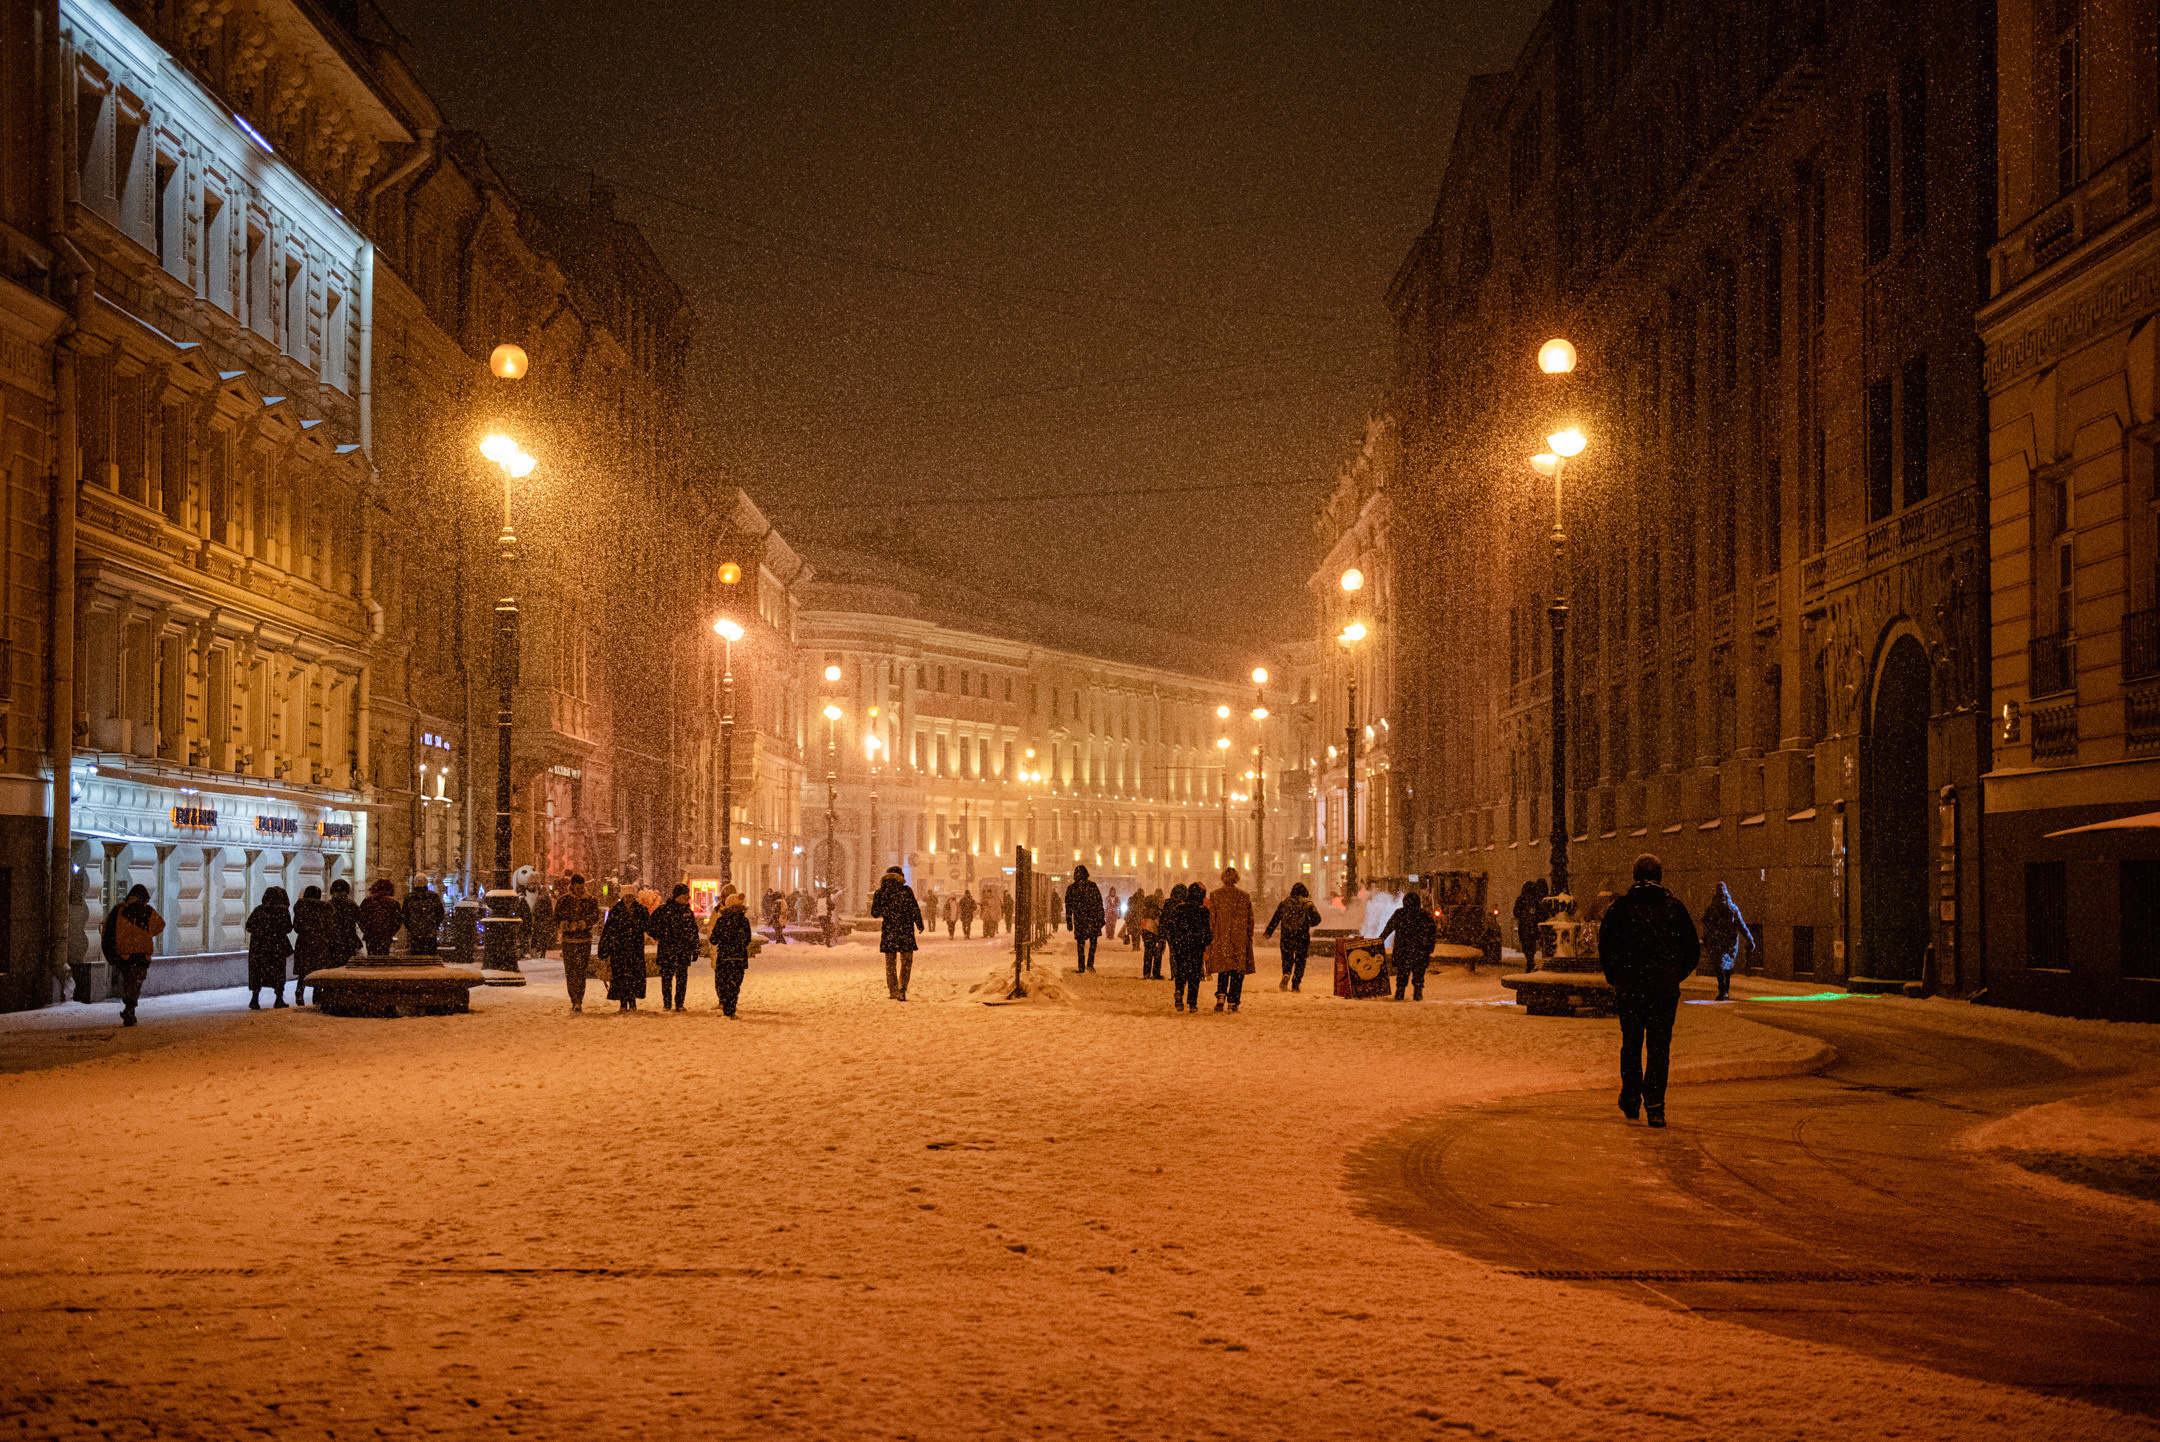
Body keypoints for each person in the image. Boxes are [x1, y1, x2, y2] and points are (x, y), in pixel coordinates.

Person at [1598, 854, 1702, 1128]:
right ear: (1659, 877)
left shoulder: (1620, 908)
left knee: (1631, 1043)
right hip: (1662, 989)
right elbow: (1692, 950)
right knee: (1659, 1047)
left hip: (1630, 986)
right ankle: (1655, 1106)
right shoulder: (1673, 908)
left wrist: (1616, 976)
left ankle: (1631, 1099)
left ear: (1635, 877)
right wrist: (1672, 975)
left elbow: (1606, 945)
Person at [98, 883, 163, 1026]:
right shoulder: (147, 911)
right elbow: (160, 925)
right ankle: (129, 1008)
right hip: (141, 953)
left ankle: (130, 1009)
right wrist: (145, 932)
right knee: (136, 982)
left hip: (124, 954)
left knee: (129, 981)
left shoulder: (119, 910)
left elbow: (107, 928)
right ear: (144, 897)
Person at [1204, 867, 1256, 1012]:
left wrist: (1213, 936)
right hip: (1239, 938)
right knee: (1237, 971)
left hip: (1222, 937)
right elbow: (1250, 919)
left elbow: (1212, 919)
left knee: (1223, 969)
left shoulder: (1216, 895)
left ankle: (1221, 995)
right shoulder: (1244, 896)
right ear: (1237, 879)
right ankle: (1233, 1001)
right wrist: (1248, 936)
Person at [872, 866, 926, 1000]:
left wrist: (886, 909)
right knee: (906, 961)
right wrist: (919, 924)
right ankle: (902, 988)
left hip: (889, 930)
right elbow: (915, 909)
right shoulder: (906, 891)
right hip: (905, 930)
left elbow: (874, 913)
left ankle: (893, 990)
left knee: (890, 963)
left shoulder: (880, 892)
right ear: (901, 876)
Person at [1162, 883, 1213, 1013]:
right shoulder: (1203, 911)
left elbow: (1172, 927)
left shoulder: (1179, 909)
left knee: (1181, 971)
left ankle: (1179, 991)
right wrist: (1206, 941)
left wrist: (1175, 941)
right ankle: (1192, 1002)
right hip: (1196, 947)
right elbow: (1206, 931)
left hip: (1181, 945)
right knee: (1194, 974)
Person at [1380, 889, 1438, 1001]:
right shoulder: (1424, 915)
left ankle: (1399, 994)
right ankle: (1418, 994)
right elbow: (1432, 933)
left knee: (1402, 974)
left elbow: (1389, 928)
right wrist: (1430, 948)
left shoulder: (1400, 913)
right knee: (1419, 975)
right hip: (1420, 950)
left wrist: (1380, 939)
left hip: (1403, 950)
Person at [651, 883, 701, 1011]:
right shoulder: (664, 910)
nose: (687, 897)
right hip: (668, 949)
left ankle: (679, 1003)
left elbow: (693, 931)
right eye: (685, 894)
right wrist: (660, 935)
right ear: (678, 895)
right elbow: (651, 925)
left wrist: (695, 948)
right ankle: (667, 1003)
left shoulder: (687, 912)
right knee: (667, 977)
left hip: (682, 950)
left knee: (681, 978)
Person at [601, 887, 651, 1011]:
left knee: (633, 976)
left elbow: (648, 926)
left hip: (635, 949)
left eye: (631, 897)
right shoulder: (616, 910)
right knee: (621, 976)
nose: (629, 899)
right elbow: (608, 930)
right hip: (619, 949)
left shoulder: (640, 910)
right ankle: (623, 1002)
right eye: (626, 896)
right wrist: (605, 948)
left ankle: (632, 1001)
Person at [1264, 882, 1320, 992]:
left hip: (1286, 935)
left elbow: (1276, 918)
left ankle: (1286, 973)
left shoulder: (1284, 903)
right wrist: (1309, 923)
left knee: (1287, 958)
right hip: (1302, 936)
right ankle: (1296, 982)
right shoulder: (1308, 903)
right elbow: (1317, 919)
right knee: (1300, 960)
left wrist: (1269, 932)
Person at [555, 874, 600, 1012]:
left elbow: (595, 916)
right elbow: (556, 917)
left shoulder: (590, 900)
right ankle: (573, 998)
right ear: (572, 886)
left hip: (583, 940)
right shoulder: (564, 900)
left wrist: (583, 923)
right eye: (578, 886)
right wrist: (565, 925)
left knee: (580, 971)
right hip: (568, 941)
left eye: (582, 886)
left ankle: (578, 999)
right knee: (571, 971)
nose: (580, 889)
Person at [245, 886, 294, 1010]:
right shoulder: (283, 911)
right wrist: (275, 932)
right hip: (276, 948)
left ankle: (255, 998)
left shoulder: (259, 910)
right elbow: (288, 928)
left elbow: (249, 926)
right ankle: (278, 999)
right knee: (278, 972)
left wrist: (261, 932)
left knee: (258, 972)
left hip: (259, 948)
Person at [709, 891, 753, 1015]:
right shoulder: (743, 921)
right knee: (735, 984)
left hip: (724, 957)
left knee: (724, 982)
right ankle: (731, 1008)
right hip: (739, 957)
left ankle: (726, 1006)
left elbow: (713, 939)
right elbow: (747, 939)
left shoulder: (722, 920)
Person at [292, 885, 336, 1005]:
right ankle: (317, 994)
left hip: (303, 942)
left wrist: (306, 932)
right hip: (320, 943)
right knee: (319, 969)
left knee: (303, 970)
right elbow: (330, 928)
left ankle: (300, 991)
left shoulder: (300, 907)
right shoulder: (325, 908)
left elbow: (296, 926)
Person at [1065, 864, 1104, 972]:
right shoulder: (1092, 886)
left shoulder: (1072, 888)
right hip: (1093, 919)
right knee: (1093, 942)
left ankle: (1081, 965)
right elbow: (1099, 903)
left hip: (1080, 919)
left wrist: (1069, 922)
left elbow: (1068, 907)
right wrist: (1101, 918)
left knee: (1080, 944)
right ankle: (1090, 964)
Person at [402, 875, 445, 957]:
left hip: (415, 932)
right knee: (430, 955)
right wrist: (434, 925)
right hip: (430, 932)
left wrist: (411, 927)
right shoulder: (433, 896)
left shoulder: (409, 897)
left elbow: (404, 915)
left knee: (416, 956)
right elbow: (440, 913)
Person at [358, 878, 402, 956]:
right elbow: (398, 921)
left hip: (371, 937)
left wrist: (367, 931)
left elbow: (361, 919)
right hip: (385, 937)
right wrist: (389, 933)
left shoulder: (367, 901)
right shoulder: (393, 903)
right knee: (384, 958)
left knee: (372, 959)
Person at [327, 878, 363, 967]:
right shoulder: (351, 905)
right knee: (348, 967)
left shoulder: (328, 905)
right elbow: (361, 921)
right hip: (349, 940)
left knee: (333, 968)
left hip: (332, 941)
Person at [1513, 878, 1549, 964]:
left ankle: (1530, 959)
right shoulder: (1537, 901)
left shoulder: (1521, 899)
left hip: (1524, 926)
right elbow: (1543, 914)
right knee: (1533, 942)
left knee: (1526, 943)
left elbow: (1516, 912)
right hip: (1534, 925)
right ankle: (1533, 958)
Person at [1138, 888, 1167, 979]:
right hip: (1154, 932)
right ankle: (1156, 973)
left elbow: (1142, 922)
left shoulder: (1145, 911)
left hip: (1146, 932)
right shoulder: (1157, 911)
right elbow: (1159, 923)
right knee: (1157, 953)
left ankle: (1146, 973)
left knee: (1148, 952)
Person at [532, 884, 557, 959]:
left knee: (539, 936)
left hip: (540, 920)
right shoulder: (547, 899)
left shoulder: (539, 899)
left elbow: (536, 910)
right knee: (544, 937)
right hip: (545, 920)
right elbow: (550, 910)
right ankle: (542, 951)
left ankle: (540, 951)